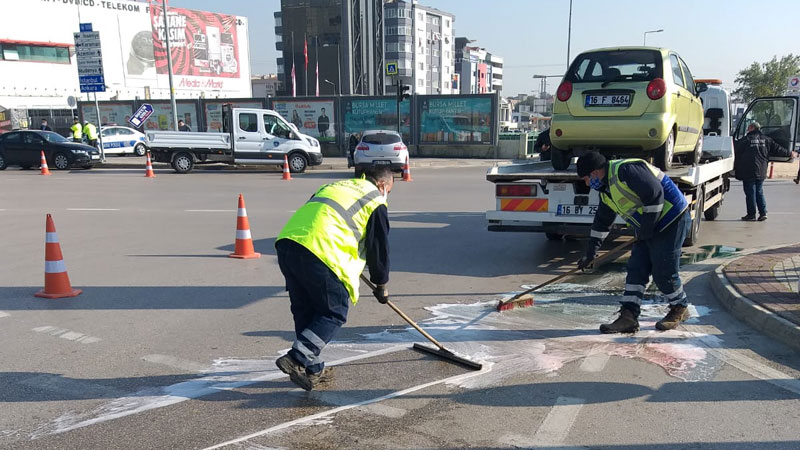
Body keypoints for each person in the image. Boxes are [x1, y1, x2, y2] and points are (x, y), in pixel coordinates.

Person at [274, 165, 394, 391]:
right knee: (333, 312)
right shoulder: (375, 200)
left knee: (307, 311)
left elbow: (324, 218)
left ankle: (313, 369)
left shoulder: (333, 186)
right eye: (389, 189)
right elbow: (379, 249)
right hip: (321, 252)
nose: (387, 195)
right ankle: (297, 358)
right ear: (381, 185)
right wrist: (382, 284)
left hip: (288, 244)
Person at [576, 152, 691, 334]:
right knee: (636, 269)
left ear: (595, 172)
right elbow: (602, 222)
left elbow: (654, 194)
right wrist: (591, 253)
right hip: (649, 226)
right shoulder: (606, 192)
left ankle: (680, 307)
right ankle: (628, 317)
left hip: (672, 220)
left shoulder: (626, 170)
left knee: (663, 270)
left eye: (586, 179)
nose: (587, 184)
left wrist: (647, 228)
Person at [733, 122, 795, 221]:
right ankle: (763, 213)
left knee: (750, 193)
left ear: (751, 128)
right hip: (761, 170)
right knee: (759, 191)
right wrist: (790, 153)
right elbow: (778, 149)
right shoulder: (767, 139)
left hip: (748, 170)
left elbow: (734, 148)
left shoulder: (746, 139)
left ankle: (751, 214)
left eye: (749, 128)